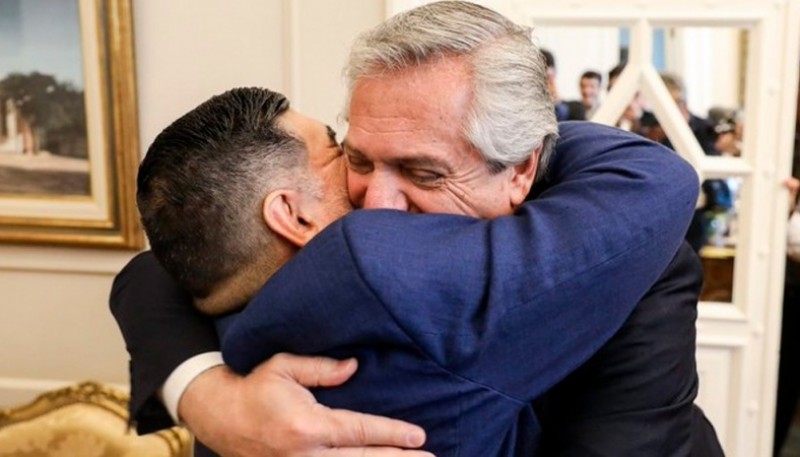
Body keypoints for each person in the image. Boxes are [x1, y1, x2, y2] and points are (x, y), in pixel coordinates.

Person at [111, 2, 722, 456]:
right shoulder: (369, 268)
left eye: (421, 171)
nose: (374, 206)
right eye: (353, 156)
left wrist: (202, 390)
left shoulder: (230, 280)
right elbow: (656, 177)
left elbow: (149, 272)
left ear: (523, 167)